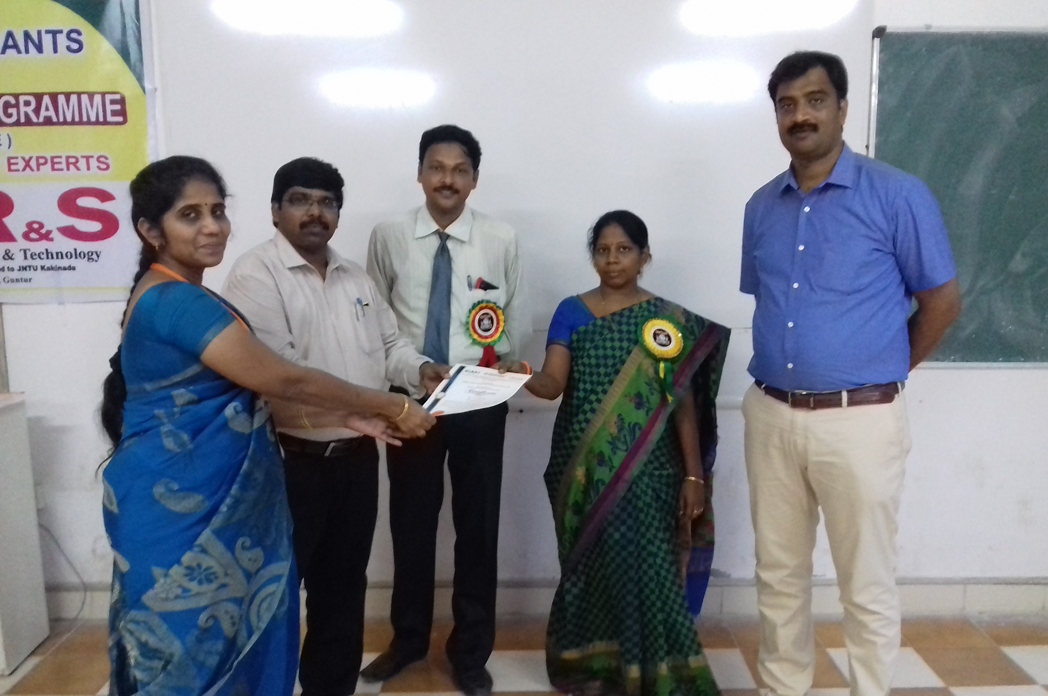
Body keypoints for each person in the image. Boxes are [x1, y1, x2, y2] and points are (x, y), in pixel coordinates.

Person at [99, 156, 434, 696]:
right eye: (190, 215)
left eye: (217, 211)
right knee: (190, 648)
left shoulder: (189, 292)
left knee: (286, 610)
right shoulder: (181, 300)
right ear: (150, 230)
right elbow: (284, 378)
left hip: (229, 486)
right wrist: (391, 406)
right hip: (184, 504)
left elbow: (250, 383)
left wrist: (350, 413)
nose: (211, 227)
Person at [740, 51, 961, 696]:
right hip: (771, 413)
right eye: (786, 105)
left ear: (842, 108)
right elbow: (768, 298)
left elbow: (942, 303)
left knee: (865, 581)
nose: (800, 116)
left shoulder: (898, 195)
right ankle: (783, 687)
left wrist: (883, 369)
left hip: (861, 419)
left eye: (814, 101)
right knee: (778, 574)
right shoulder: (761, 206)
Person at [221, 157, 448, 696]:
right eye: (301, 200)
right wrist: (387, 405)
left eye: (327, 203)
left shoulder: (355, 277)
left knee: (343, 591)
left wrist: (420, 370)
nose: (315, 212)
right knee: (274, 595)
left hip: (357, 458)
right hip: (288, 462)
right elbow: (288, 377)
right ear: (275, 211)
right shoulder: (255, 275)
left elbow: (389, 345)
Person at [499, 210, 727, 696]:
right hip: (583, 468)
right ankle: (592, 665)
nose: (612, 259)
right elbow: (553, 383)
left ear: (644, 257)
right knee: (591, 566)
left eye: (623, 250)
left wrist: (693, 476)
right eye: (602, 250)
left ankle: (656, 671)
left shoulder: (666, 320)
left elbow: (682, 403)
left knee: (649, 569)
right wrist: (519, 373)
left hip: (650, 470)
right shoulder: (571, 311)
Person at [362, 124, 531, 696]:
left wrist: (500, 368)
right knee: (410, 524)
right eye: (437, 168)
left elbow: (516, 315)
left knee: (477, 528)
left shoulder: (500, 238)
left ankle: (470, 651)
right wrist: (404, 378)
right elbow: (376, 321)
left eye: (460, 170)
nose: (447, 180)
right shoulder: (389, 237)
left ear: (475, 180)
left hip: (479, 400)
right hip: (411, 400)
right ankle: (408, 639)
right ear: (420, 174)